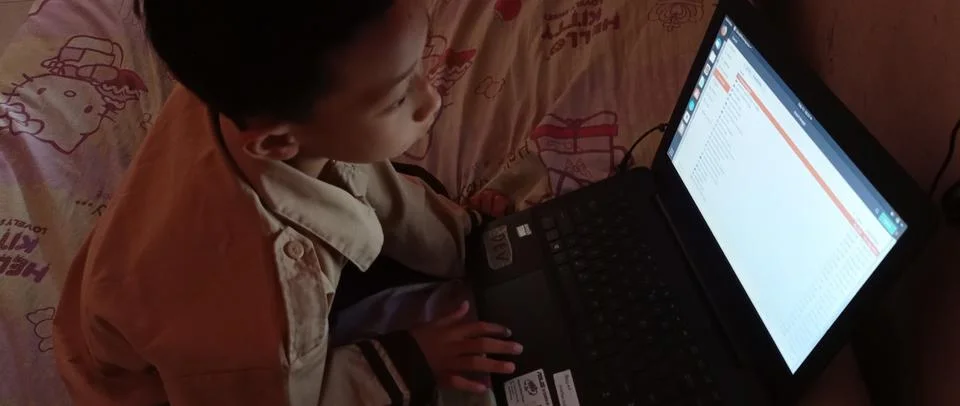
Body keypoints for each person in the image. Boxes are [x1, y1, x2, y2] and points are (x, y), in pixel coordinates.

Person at [51, 0, 523, 404]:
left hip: (144, 278)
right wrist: (412, 360)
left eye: (420, 65)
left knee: (390, 177)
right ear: (277, 144)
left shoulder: (247, 86)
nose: (431, 98)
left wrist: (469, 235)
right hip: (182, 378)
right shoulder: (257, 308)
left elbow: (366, 179)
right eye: (398, 97)